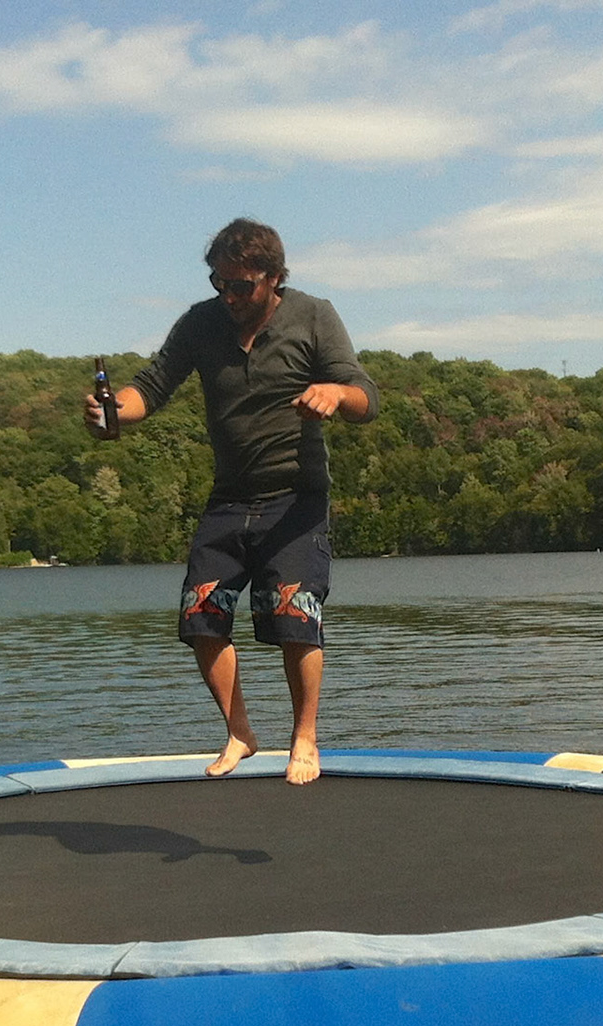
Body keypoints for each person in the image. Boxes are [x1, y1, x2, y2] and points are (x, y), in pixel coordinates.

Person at [84, 218, 378, 785]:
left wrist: (335, 394)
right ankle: (240, 732)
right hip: (229, 498)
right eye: (220, 283)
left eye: (241, 286)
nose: (230, 297)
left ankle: (305, 739)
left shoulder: (314, 315)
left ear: (273, 278)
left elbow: (366, 395)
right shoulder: (202, 322)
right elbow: (151, 386)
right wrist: (112, 411)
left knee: (294, 616)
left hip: (295, 497)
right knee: (201, 614)